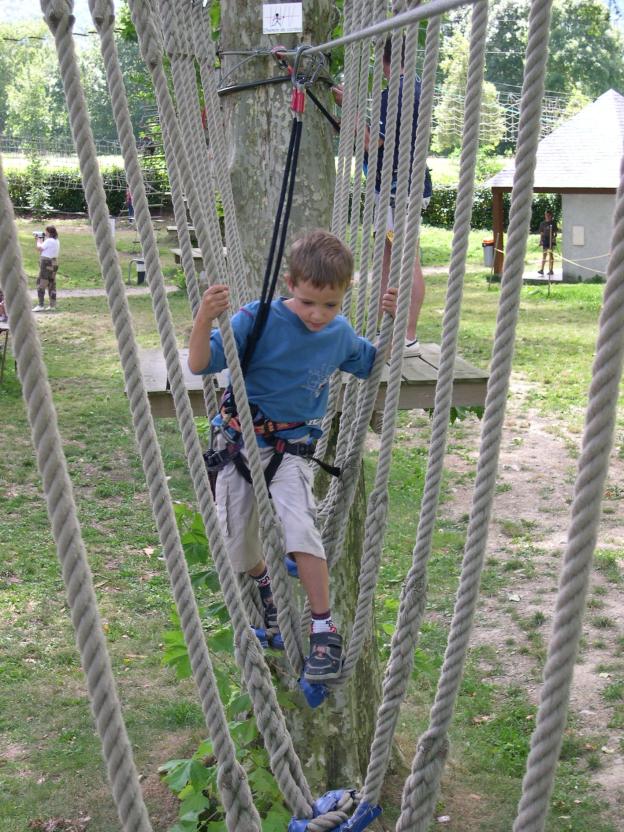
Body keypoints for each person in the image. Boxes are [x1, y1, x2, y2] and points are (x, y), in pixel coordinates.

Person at [188, 229, 397, 683]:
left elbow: (373, 363)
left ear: (344, 296)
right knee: (239, 551)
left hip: (292, 452)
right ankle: (265, 583)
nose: (318, 315)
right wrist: (205, 318)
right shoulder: (255, 320)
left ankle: (323, 626)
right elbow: (201, 364)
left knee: (302, 527)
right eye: (308, 303)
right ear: (289, 284)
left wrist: (395, 322)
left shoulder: (338, 335)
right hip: (239, 446)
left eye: (330, 305)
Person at [332, 35, 432, 357]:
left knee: (404, 258)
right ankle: (389, 332)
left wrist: (349, 110)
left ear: (384, 59)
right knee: (390, 258)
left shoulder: (397, 94)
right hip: (402, 189)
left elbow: (373, 144)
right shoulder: (417, 88)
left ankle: (407, 336)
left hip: (396, 193)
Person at [33, 226, 60, 313]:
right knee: (52, 284)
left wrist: (38, 240)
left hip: (46, 263)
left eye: (46, 232)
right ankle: (52, 305)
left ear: (48, 232)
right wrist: (41, 240)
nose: (45, 233)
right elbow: (44, 249)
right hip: (54, 263)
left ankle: (41, 305)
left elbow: (39, 248)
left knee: (41, 283)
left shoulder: (49, 241)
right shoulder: (56, 241)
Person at [537, 209, 557, 276]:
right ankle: (542, 270)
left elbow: (555, 233)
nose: (547, 216)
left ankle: (551, 270)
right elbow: (541, 233)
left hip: (551, 240)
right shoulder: (542, 223)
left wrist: (554, 238)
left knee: (551, 255)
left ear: (551, 215)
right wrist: (541, 241)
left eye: (548, 215)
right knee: (544, 255)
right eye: (546, 215)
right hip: (545, 240)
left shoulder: (553, 223)